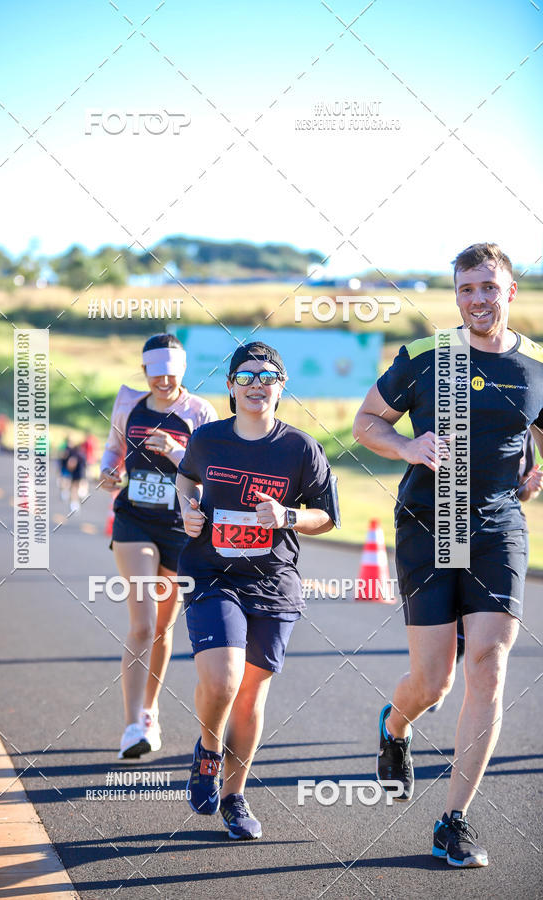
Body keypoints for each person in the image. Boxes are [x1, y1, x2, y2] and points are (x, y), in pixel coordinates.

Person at [353, 243, 543, 867]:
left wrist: (537, 471)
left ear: (510, 291)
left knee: (488, 662)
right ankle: (395, 725)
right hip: (429, 524)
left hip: (498, 527)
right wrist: (409, 448)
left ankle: (453, 820)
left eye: (488, 287)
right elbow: (366, 422)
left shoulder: (536, 365)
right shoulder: (426, 356)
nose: (477, 299)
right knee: (434, 681)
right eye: (466, 289)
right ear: (456, 295)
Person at [176, 341, 339, 840]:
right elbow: (185, 479)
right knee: (223, 680)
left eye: (267, 377)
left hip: (272, 581)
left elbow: (327, 516)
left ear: (281, 386)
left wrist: (287, 516)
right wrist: (187, 510)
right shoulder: (207, 440)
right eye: (245, 377)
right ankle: (208, 751)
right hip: (212, 573)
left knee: (249, 697)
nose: (256, 385)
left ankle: (234, 796)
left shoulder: (301, 448)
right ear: (230, 386)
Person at [100, 334, 217, 760]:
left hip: (179, 528)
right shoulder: (129, 403)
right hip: (134, 520)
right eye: (157, 373)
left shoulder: (199, 412)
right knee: (144, 624)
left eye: (172, 373)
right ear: (145, 370)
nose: (164, 381)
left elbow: (212, 472)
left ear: (182, 371)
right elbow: (113, 450)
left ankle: (149, 712)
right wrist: (108, 471)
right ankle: (132, 724)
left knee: (163, 630)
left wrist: (176, 450)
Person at [428, 429, 540, 713]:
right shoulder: (464, 413)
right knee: (453, 612)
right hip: (455, 523)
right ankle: (434, 680)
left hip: (502, 533)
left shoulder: (525, 425)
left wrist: (529, 487)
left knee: (488, 637)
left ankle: (454, 682)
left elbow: (520, 489)